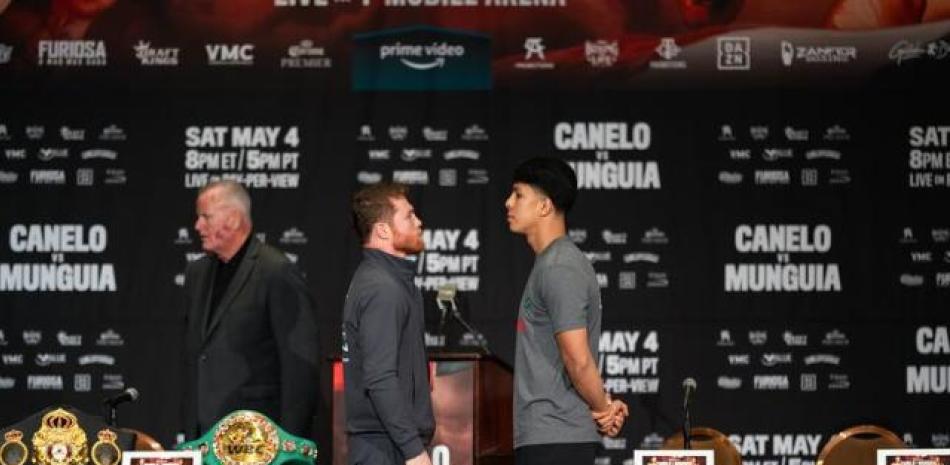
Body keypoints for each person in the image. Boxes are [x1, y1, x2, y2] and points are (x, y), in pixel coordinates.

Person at [505, 158, 628, 465]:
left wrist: (603, 409)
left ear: (544, 206)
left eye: (518, 195)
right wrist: (605, 406)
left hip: (556, 441)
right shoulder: (551, 264)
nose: (508, 202)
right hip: (550, 437)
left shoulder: (560, 267)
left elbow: (577, 358)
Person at [181, 180, 320, 438]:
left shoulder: (275, 271)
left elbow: (299, 366)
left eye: (205, 217)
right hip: (203, 436)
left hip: (257, 438)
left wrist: (288, 444)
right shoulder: (196, 274)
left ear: (233, 219)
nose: (197, 226)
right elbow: (198, 358)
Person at [342, 183, 435, 465]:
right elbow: (380, 377)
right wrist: (414, 451)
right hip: (385, 447)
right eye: (408, 216)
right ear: (382, 230)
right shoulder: (383, 288)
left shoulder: (387, 281)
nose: (419, 222)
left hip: (385, 442)